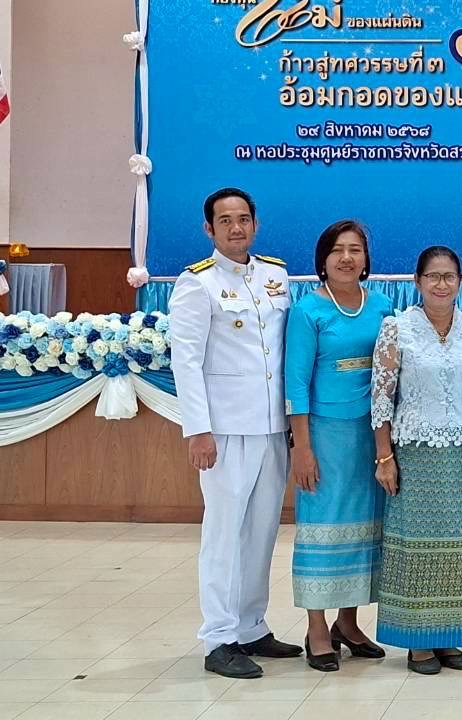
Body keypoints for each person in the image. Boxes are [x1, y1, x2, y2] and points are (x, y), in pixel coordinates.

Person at [169, 186, 302, 679]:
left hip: (271, 425)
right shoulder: (196, 283)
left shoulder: (275, 273)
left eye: (243, 218)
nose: (236, 227)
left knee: (263, 530)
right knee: (223, 534)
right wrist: (198, 431)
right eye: (225, 221)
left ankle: (251, 625)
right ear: (209, 229)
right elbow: (186, 360)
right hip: (224, 430)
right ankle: (219, 637)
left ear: (256, 223)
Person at [371, 246, 462, 675]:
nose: (442, 284)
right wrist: (384, 456)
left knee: (461, 549)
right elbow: (382, 398)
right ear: (417, 282)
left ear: (460, 282)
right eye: (433, 276)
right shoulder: (397, 329)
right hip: (414, 454)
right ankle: (418, 642)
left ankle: (451, 637)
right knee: (416, 548)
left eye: (449, 276)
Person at [286, 219, 395, 671]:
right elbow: (295, 382)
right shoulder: (308, 311)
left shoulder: (383, 306)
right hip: (324, 436)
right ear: (323, 260)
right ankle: (317, 628)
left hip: (370, 435)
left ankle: (347, 624)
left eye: (355, 250)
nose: (347, 258)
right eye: (337, 250)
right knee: (323, 525)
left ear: (366, 259)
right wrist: (302, 448)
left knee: (365, 528)